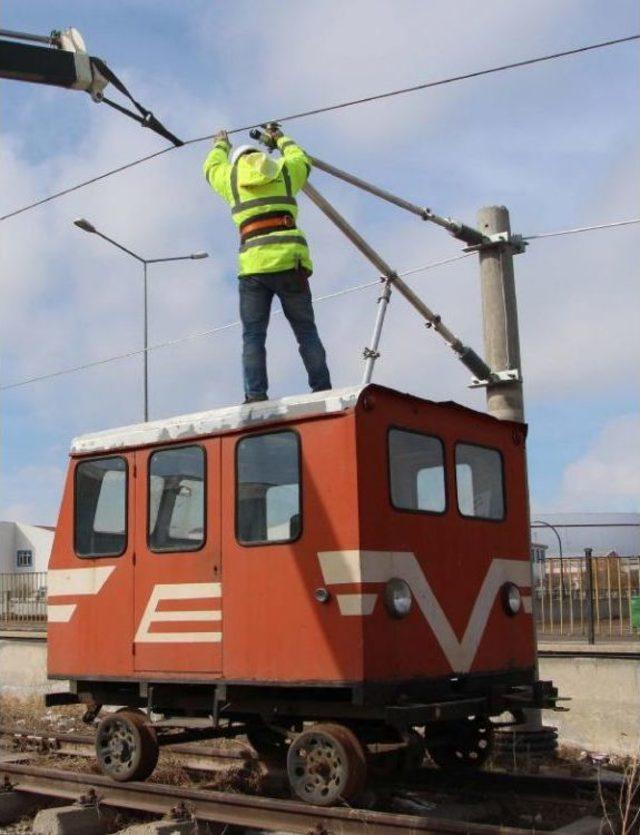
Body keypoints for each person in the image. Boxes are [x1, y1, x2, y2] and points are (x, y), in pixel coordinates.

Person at [203, 125, 332, 403]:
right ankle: (322, 388)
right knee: (306, 331)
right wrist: (280, 138)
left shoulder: (232, 178)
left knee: (253, 336)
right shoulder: (283, 172)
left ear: (237, 161)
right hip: (290, 263)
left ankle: (255, 394)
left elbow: (211, 169)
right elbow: (301, 158)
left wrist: (220, 144)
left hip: (254, 269)